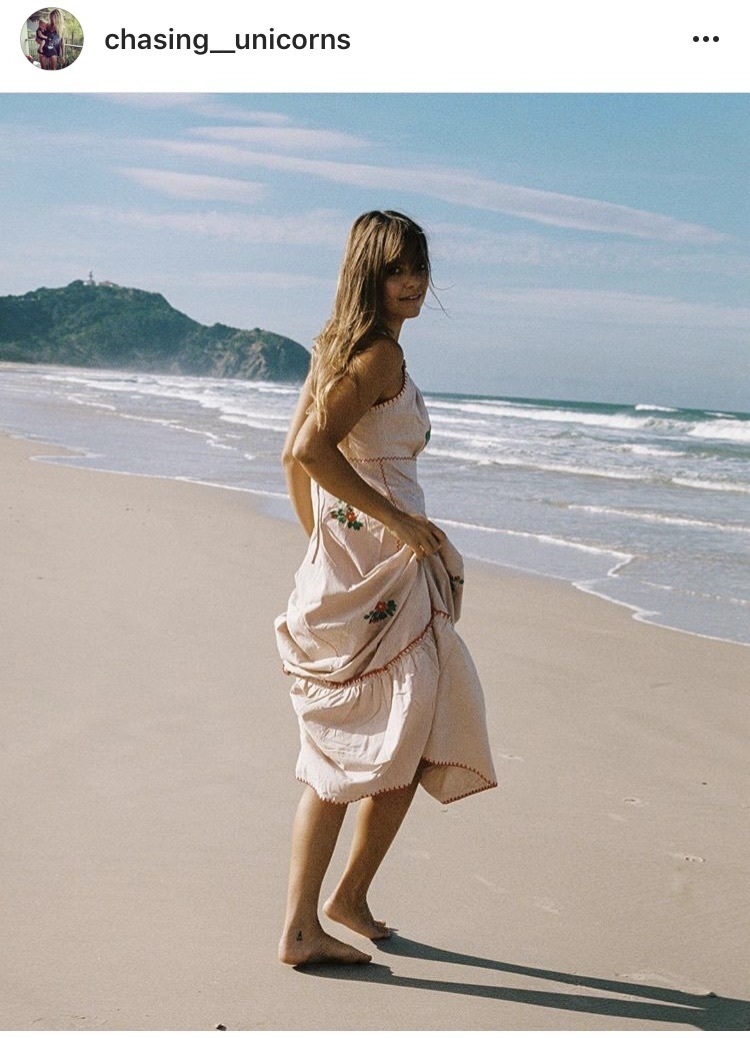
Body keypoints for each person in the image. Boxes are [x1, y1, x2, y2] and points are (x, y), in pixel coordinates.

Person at [274, 210, 497, 967]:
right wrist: (395, 523)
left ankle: (345, 901)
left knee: (388, 737)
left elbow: (291, 459)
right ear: (367, 273)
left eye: (421, 267)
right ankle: (309, 922)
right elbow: (311, 449)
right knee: (380, 743)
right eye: (397, 268)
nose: (414, 282)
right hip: (389, 575)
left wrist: (325, 547)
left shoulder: (337, 350)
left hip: (369, 572)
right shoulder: (376, 356)